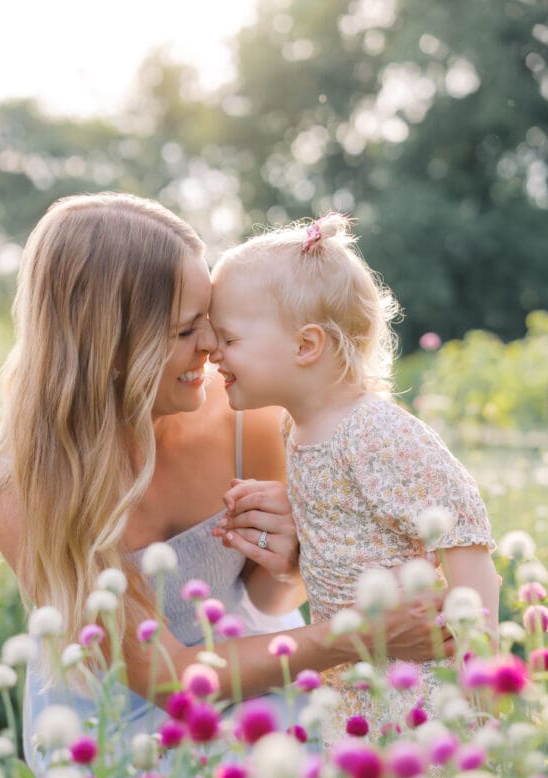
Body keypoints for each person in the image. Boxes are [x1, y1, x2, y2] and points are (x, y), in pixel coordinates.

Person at [0, 193, 449, 772]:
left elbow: (269, 603)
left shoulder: (247, 418)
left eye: (210, 318)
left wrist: (288, 562)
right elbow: (167, 681)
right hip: (116, 722)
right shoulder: (20, 486)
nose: (213, 345)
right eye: (187, 329)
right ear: (110, 344)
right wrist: (359, 636)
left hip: (263, 670)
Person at [209, 213, 498, 736]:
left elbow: (464, 527)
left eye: (228, 338)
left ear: (305, 346)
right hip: (355, 679)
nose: (213, 353)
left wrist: (481, 681)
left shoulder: (374, 431)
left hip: (420, 683)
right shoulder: (292, 429)